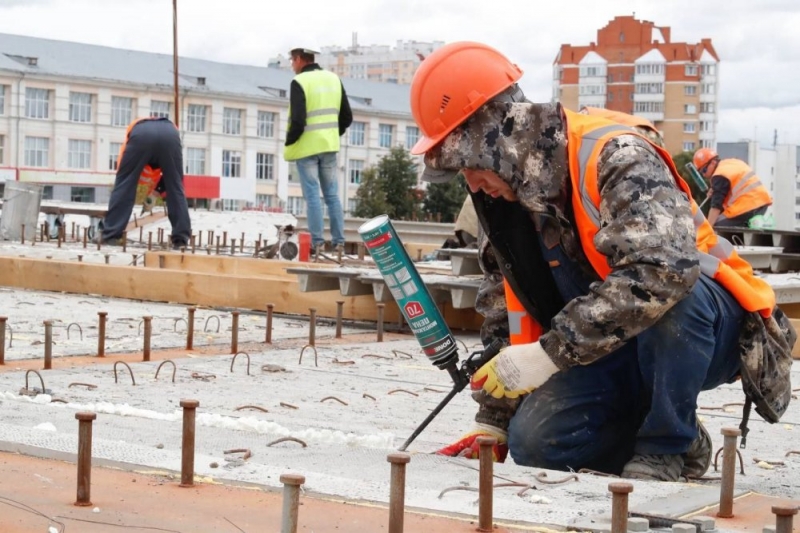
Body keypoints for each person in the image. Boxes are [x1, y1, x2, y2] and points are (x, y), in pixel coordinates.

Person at [410, 42, 795, 481]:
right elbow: (507, 306)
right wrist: (494, 420)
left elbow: (664, 272)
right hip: (609, 342)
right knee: (536, 441)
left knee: (674, 298)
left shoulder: (615, 155)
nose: (470, 180)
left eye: (469, 163)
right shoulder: (501, 200)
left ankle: (664, 446)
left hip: (708, 330)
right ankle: (686, 440)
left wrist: (548, 355)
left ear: (501, 142)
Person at [284, 46, 353, 254]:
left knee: (312, 196)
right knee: (332, 196)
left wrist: (290, 141)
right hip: (329, 146)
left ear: (298, 60)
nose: (291, 65)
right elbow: (347, 117)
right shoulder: (334, 79)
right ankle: (339, 242)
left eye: (291, 61)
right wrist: (332, 134)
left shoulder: (299, 82)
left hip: (307, 148)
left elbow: (298, 120)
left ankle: (317, 243)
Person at [100, 117, 191, 248]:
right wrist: (156, 192)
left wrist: (154, 193)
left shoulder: (129, 144)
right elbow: (173, 178)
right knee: (176, 186)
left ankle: (111, 235)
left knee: (124, 184)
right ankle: (181, 240)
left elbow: (123, 181)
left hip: (141, 134)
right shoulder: (159, 163)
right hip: (171, 134)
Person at [692, 147, 772, 227]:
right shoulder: (730, 163)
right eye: (701, 173)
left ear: (713, 162)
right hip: (761, 203)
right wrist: (716, 191)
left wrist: (707, 229)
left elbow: (716, 206)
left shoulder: (719, 175)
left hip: (748, 206)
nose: (704, 175)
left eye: (704, 170)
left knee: (716, 225)